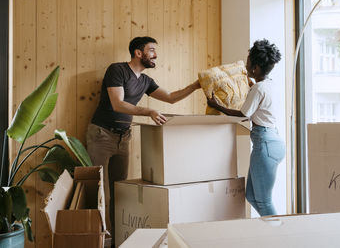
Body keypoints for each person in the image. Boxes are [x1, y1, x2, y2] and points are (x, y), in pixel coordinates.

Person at [86, 36, 201, 243]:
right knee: (100, 192)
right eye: (151, 50)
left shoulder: (146, 81)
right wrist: (148, 110)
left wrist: (195, 85)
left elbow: (171, 97)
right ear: (138, 53)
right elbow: (117, 104)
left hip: (124, 137)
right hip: (101, 135)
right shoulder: (117, 70)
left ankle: (114, 240)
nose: (155, 55)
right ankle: (98, 241)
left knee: (118, 191)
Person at [207, 39, 285, 216]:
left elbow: (243, 115)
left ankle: (279, 235)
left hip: (265, 144)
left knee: (264, 201)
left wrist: (217, 105)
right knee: (251, 196)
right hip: (272, 142)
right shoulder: (269, 84)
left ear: (255, 68)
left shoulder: (258, 88)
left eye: (248, 61)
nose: (246, 63)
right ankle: (272, 226)